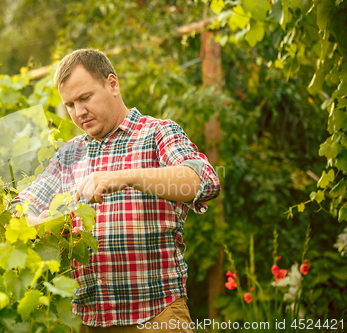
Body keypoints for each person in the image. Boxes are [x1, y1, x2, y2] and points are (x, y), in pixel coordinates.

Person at [11, 49, 220, 332]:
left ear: (112, 84)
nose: (79, 112)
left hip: (156, 316)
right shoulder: (68, 155)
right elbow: (20, 209)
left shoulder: (157, 133)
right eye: (70, 104)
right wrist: (48, 222)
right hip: (86, 321)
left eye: (85, 98)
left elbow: (202, 181)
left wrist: (126, 177)